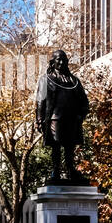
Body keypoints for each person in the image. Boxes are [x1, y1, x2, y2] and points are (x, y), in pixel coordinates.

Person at [35, 49, 89, 184]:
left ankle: (71, 170)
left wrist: (81, 115)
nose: (61, 62)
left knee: (70, 147)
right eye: (58, 59)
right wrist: (39, 120)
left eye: (64, 60)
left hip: (72, 119)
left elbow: (84, 101)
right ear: (53, 62)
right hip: (55, 118)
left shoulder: (74, 80)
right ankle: (56, 171)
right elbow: (40, 101)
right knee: (56, 145)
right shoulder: (46, 79)